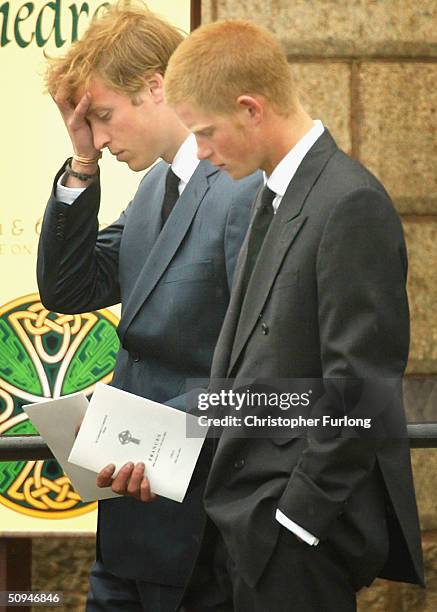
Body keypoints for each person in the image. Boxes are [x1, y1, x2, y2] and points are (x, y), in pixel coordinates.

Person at [164, 19, 425, 611]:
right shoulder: (274, 191)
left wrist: (294, 521)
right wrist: (167, 446)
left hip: (291, 543)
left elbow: (360, 391)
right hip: (241, 525)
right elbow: (259, 374)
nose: (201, 153)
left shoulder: (349, 201)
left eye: (205, 133)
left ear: (251, 108)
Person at [37, 4, 261, 611]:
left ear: (157, 86)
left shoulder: (244, 187)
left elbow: (262, 355)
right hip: (129, 526)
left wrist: (166, 431)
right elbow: (69, 289)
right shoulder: (154, 186)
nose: (103, 138)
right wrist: (81, 163)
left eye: (105, 117)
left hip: (201, 530)